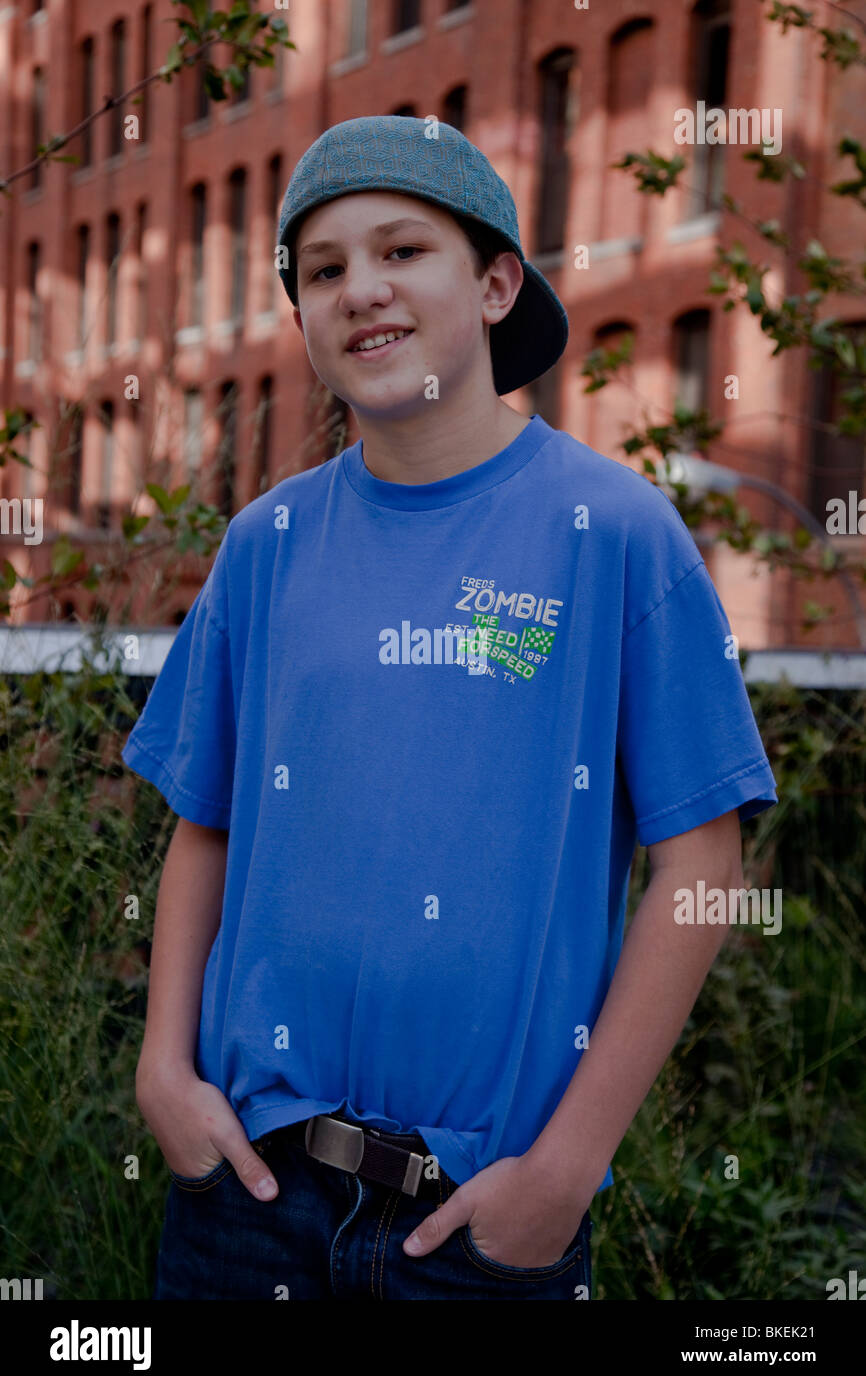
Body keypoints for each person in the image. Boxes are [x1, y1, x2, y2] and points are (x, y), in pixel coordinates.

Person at [123, 114, 778, 1301]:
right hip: (249, 1195)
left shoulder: (615, 536)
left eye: (400, 251)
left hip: (481, 1215)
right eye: (321, 270)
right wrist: (165, 1070)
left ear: (492, 284)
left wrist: (565, 1172)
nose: (359, 291)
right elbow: (204, 822)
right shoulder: (262, 546)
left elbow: (705, 864)